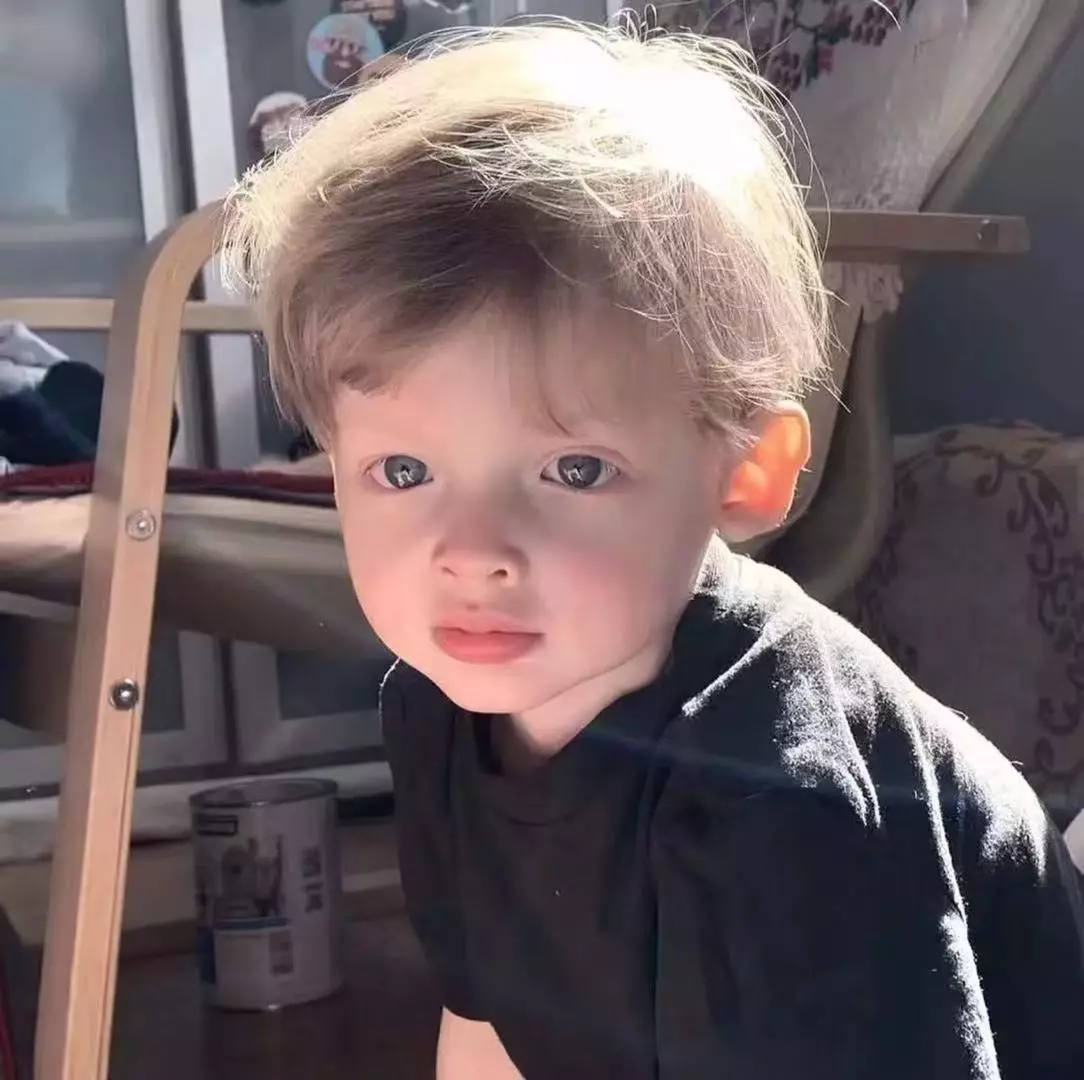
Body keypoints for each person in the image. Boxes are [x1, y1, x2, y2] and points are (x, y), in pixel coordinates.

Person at [220, 21, 1084, 1079]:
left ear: (748, 471)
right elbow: (485, 1026)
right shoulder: (436, 713)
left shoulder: (781, 806)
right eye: (404, 471)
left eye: (574, 470)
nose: (472, 553)